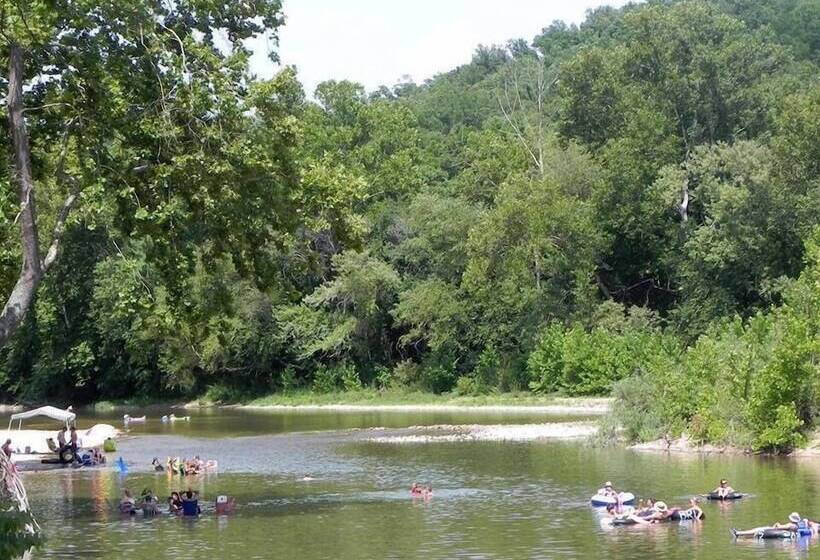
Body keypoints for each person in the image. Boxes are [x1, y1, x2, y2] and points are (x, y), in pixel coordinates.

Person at [732, 512, 806, 537]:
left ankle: (739, 533)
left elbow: (780, 527)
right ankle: (740, 533)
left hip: (774, 530)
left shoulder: (790, 524)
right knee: (756, 530)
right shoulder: (796, 526)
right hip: (780, 533)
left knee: (757, 529)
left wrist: (777, 524)